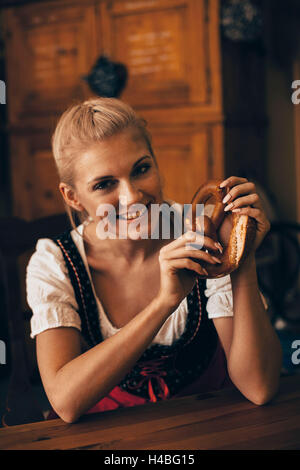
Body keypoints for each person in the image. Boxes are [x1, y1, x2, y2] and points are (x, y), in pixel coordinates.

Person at [26, 98, 282, 423]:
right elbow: (65, 402)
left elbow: (259, 387)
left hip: (208, 428)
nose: (131, 196)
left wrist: (240, 257)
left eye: (141, 169)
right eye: (105, 184)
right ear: (73, 197)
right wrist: (165, 302)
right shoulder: (55, 261)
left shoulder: (205, 230)